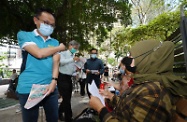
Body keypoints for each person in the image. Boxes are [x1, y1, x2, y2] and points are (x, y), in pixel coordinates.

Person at [89, 40, 187, 122]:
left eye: (133, 57)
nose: (130, 61)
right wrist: (110, 96)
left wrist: (100, 109)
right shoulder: (145, 81)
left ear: (148, 60)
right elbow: (129, 104)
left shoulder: (152, 92)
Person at [16, 8, 65, 122]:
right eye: (46, 22)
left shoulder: (54, 42)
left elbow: (56, 62)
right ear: (35, 20)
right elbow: (38, 53)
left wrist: (54, 81)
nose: (49, 27)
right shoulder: (24, 35)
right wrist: (59, 48)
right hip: (29, 88)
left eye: (52, 25)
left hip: (50, 87)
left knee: (53, 119)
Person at [57, 40, 80, 122]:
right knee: (66, 99)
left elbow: (70, 68)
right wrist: (72, 59)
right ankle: (68, 118)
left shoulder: (73, 55)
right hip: (62, 78)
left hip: (69, 78)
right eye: (74, 47)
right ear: (70, 45)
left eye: (76, 48)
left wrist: (76, 69)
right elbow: (61, 62)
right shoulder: (62, 54)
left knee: (68, 98)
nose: (75, 49)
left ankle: (59, 113)